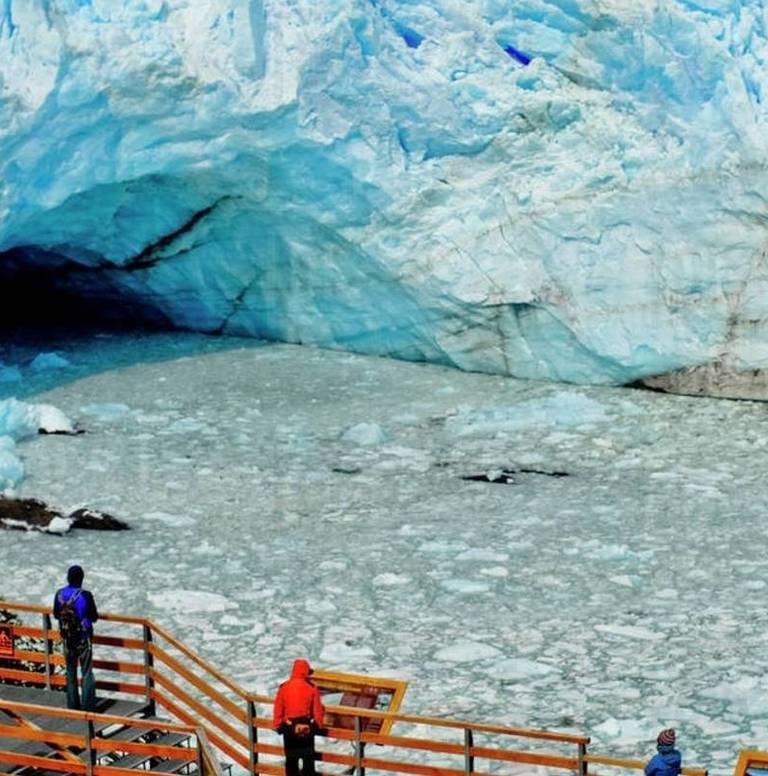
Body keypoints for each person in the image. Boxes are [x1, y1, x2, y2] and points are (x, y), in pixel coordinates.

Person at [53, 565, 99, 711]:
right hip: (83, 637)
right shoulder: (85, 595)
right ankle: (88, 706)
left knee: (70, 671)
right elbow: (94, 617)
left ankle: (72, 705)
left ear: (68, 578)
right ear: (82, 579)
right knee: (86, 672)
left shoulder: (59, 594)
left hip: (67, 638)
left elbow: (56, 614)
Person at [273, 658, 326, 776]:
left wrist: (278, 725)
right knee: (308, 762)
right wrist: (318, 725)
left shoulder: (284, 687)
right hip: (306, 727)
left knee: (291, 762)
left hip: (289, 728)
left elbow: (278, 709)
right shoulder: (312, 688)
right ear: (305, 672)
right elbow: (317, 711)